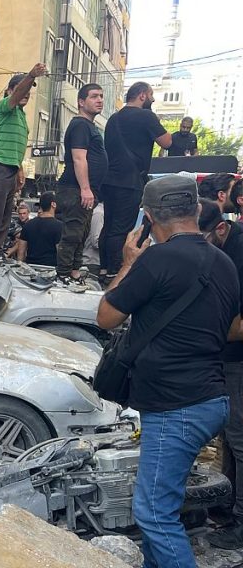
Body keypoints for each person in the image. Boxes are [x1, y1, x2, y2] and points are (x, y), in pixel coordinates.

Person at [96, 175, 238, 568]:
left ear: (148, 217)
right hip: (210, 398)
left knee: (154, 513)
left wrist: (127, 263)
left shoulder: (157, 259)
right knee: (162, 502)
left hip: (176, 405)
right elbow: (232, 326)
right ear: (196, 210)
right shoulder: (222, 262)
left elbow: (106, 316)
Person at [198, 200, 243, 550]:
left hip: (237, 360)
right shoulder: (217, 250)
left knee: (240, 440)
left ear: (222, 229)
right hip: (223, 357)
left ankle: (239, 523)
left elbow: (237, 327)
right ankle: (224, 508)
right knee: (228, 438)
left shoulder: (238, 255)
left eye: (202, 238)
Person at [99, 81, 171, 277]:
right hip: (129, 181)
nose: (153, 99)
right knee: (121, 228)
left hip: (109, 179)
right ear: (142, 95)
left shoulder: (113, 118)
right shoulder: (146, 116)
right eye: (151, 95)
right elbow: (167, 142)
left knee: (109, 224)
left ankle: (104, 267)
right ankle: (115, 270)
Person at [0, 65, 48, 260]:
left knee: (6, 213)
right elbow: (17, 96)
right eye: (22, 89)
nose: (26, 94)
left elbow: (18, 146)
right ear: (10, 91)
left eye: (29, 90)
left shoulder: (22, 117)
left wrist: (19, 170)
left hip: (10, 166)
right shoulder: (4, 106)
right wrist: (31, 74)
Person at [56, 83, 107, 283]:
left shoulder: (89, 126)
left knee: (81, 233)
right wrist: (85, 189)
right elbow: (79, 158)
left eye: (101, 96)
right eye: (94, 96)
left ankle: (74, 271)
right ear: (81, 102)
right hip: (75, 188)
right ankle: (63, 274)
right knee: (73, 234)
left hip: (85, 190)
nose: (100, 100)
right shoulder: (80, 125)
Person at [17, 191, 63, 266]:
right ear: (53, 204)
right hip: (51, 269)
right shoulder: (60, 226)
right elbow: (61, 253)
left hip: (31, 267)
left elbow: (21, 252)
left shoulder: (28, 225)